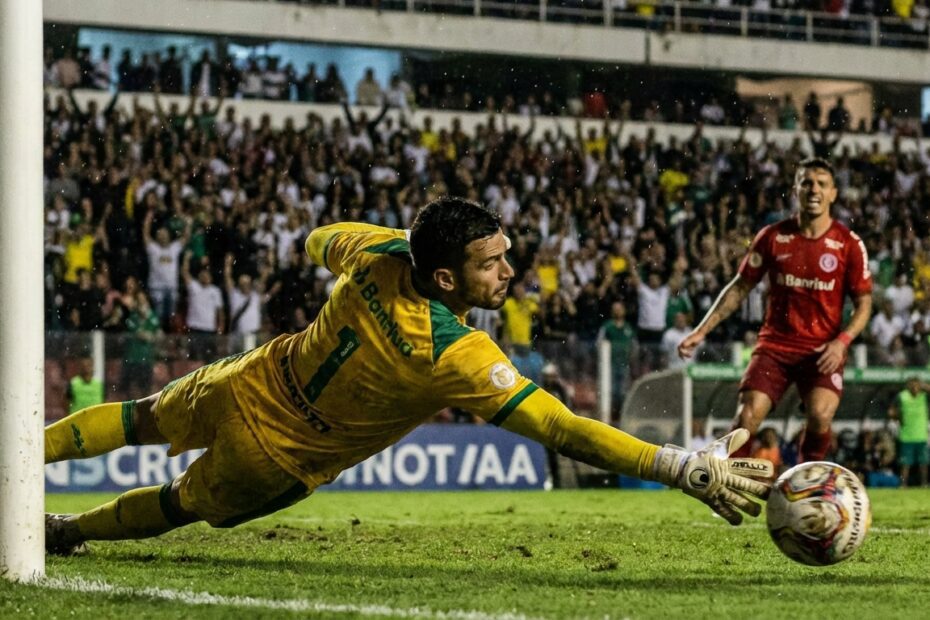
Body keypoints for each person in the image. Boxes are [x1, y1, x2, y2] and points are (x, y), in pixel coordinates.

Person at [45, 197, 772, 554]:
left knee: (139, 416)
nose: (509, 271)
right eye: (491, 263)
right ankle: (70, 530)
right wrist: (676, 466)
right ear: (447, 278)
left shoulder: (379, 253)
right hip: (277, 457)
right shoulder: (455, 353)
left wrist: (383, 243)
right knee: (177, 503)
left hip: (248, 379)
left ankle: (23, 454)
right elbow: (560, 428)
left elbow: (317, 239)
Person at [679, 158, 873, 462]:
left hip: (822, 350)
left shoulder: (848, 244)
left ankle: (808, 480)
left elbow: (864, 304)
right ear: (796, 190)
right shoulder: (773, 237)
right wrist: (701, 330)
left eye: (822, 184)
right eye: (807, 183)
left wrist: (842, 342)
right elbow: (740, 287)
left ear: (833, 193)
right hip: (775, 347)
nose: (814, 189)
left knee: (820, 415)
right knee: (747, 417)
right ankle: (727, 480)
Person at [888, 376, 929, 487]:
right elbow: (891, 411)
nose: (915, 387)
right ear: (908, 386)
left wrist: (925, 386)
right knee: (905, 463)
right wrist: (897, 416)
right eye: (912, 385)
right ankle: (903, 484)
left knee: (923, 463)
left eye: (917, 385)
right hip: (906, 435)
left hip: (921, 435)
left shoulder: (924, 396)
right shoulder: (902, 396)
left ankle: (924, 484)